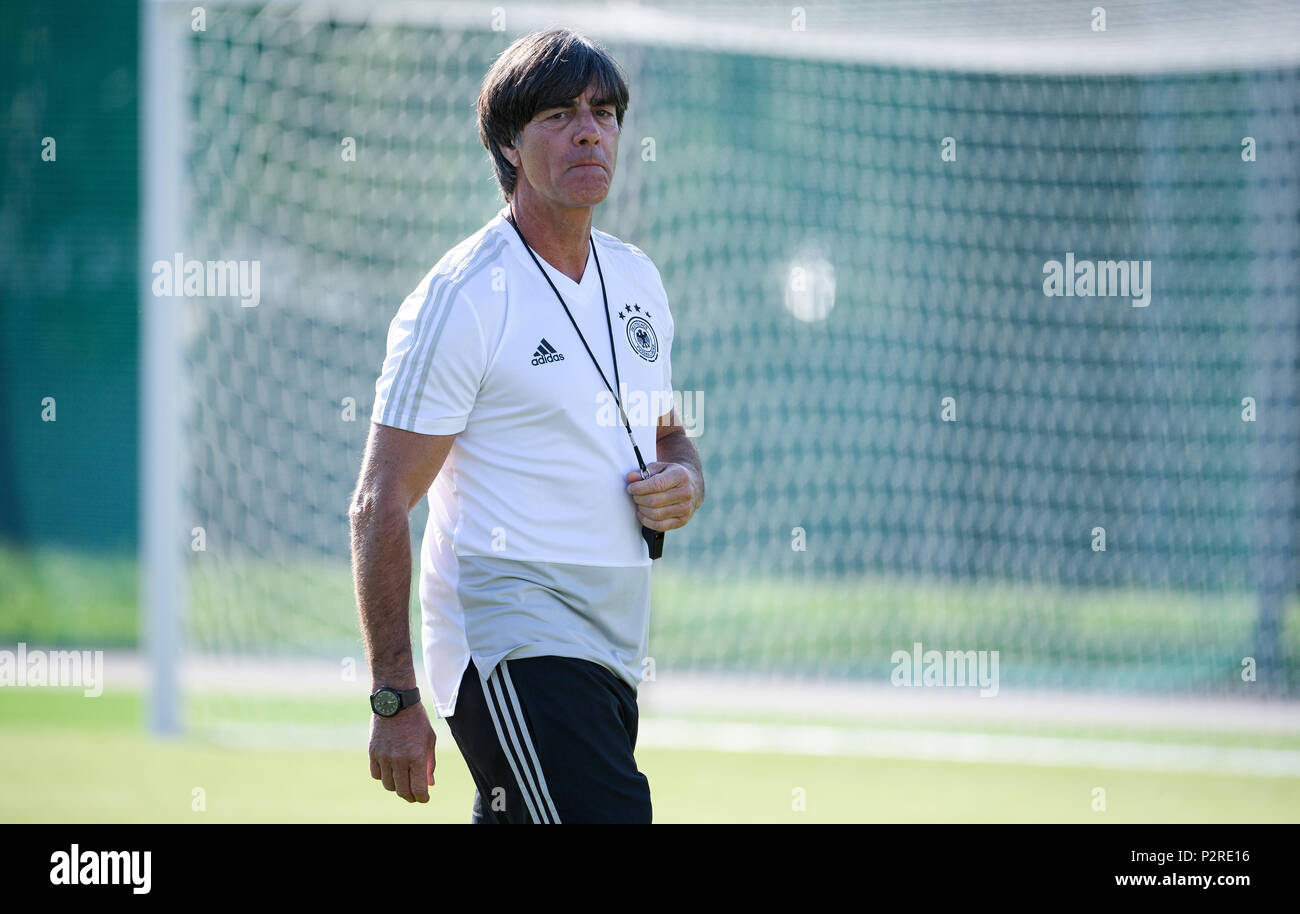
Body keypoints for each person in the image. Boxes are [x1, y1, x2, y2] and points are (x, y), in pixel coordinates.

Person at [348, 27, 704, 823]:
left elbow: (669, 434)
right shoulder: (464, 296)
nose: (589, 129)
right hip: (512, 637)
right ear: (508, 144)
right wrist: (393, 697)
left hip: (613, 639)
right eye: (558, 114)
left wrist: (686, 478)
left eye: (604, 111)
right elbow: (379, 502)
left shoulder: (639, 278)